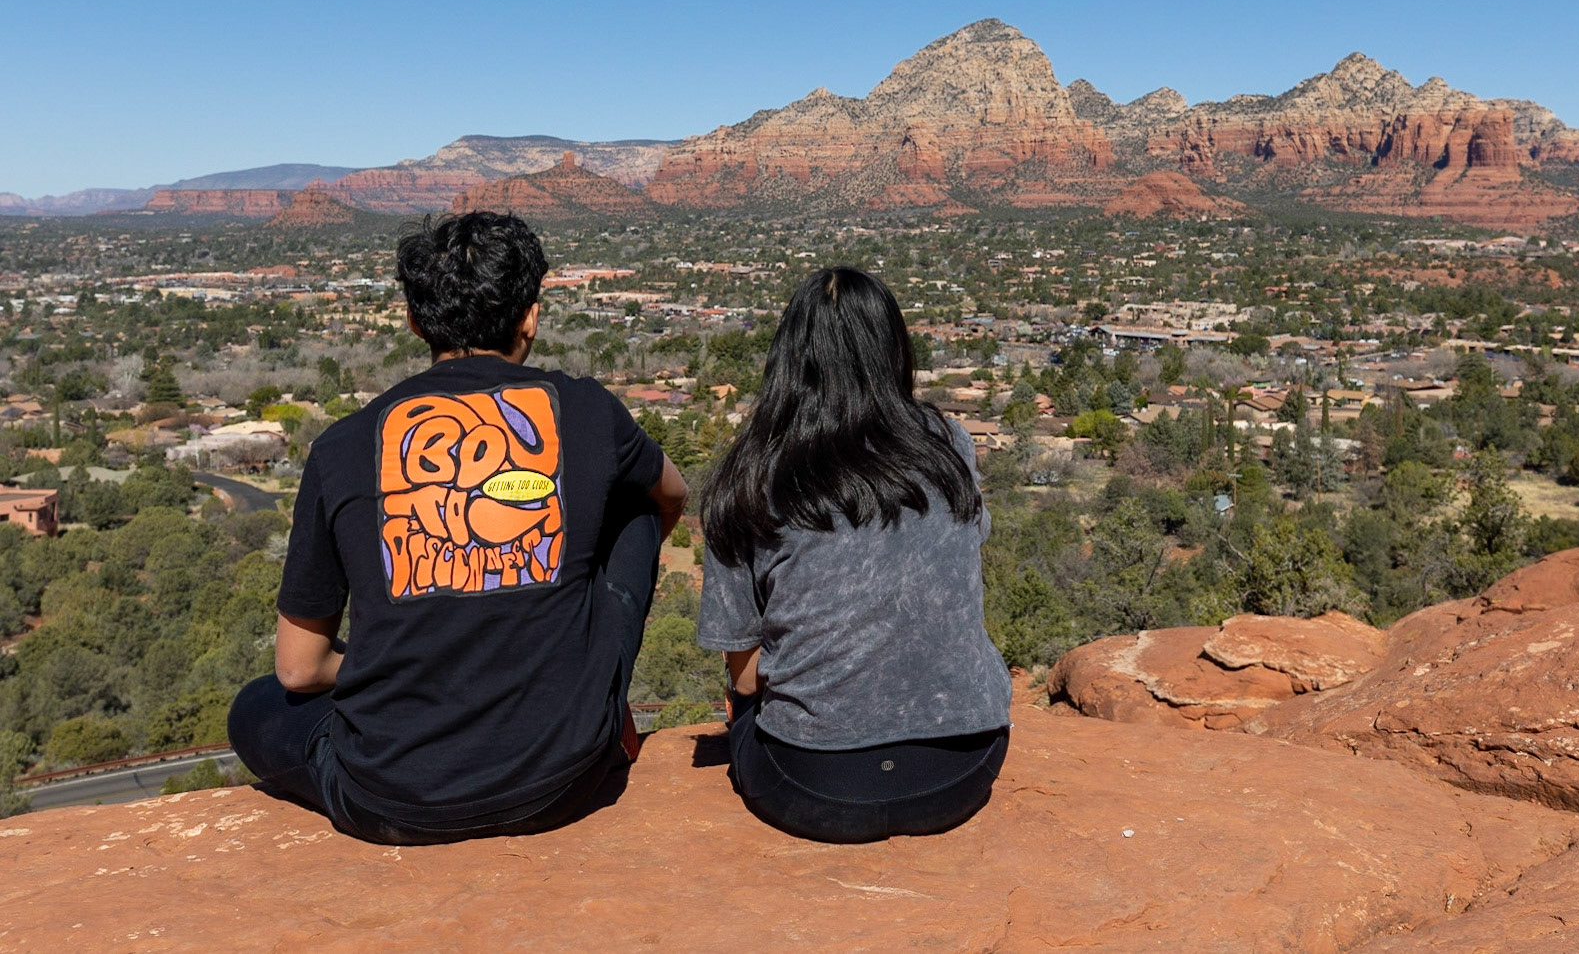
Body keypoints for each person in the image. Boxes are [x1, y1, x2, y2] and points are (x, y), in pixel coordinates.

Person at [227, 211, 685, 844]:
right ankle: (596, 705)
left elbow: (300, 671)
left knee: (254, 708)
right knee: (637, 501)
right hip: (564, 779)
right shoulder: (587, 409)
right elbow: (672, 495)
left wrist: (407, 660)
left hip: (391, 800)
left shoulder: (342, 446)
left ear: (415, 321)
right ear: (530, 316)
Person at [698, 265, 1012, 843]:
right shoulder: (948, 444)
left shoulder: (752, 474)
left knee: (745, 714)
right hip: (963, 772)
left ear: (789, 358)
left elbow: (744, 681)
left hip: (810, 788)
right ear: (894, 351)